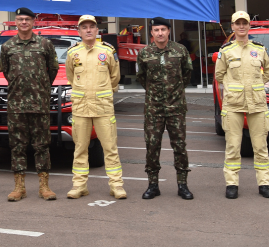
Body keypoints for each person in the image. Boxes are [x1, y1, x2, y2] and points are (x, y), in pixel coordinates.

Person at [0, 7, 60, 201]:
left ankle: (44, 186)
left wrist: (40, 88)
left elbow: (53, 69)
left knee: (42, 145)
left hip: (39, 104)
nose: (23, 22)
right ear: (15, 22)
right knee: (17, 146)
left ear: (33, 22)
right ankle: (19, 187)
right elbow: (6, 72)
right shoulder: (7, 47)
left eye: (27, 19)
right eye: (20, 19)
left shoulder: (45, 44)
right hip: (16, 105)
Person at [214, 10, 269, 199]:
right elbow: (219, 75)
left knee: (260, 146)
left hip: (257, 104)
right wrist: (234, 88)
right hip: (233, 105)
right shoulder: (226, 51)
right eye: (237, 23)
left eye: (244, 23)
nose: (241, 26)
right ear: (232, 27)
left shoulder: (259, 49)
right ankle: (231, 183)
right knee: (233, 146)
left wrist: (256, 86)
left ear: (249, 26)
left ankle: (264, 183)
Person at [65, 15, 125, 200]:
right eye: (84, 27)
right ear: (79, 31)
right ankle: (79, 185)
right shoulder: (72, 53)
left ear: (97, 30)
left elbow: (115, 77)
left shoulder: (107, 51)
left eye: (92, 26)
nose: (88, 30)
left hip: (103, 107)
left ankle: (116, 185)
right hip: (81, 107)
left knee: (110, 147)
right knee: (80, 147)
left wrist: (105, 92)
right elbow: (70, 77)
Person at [136, 17, 194, 200]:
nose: (160, 33)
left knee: (180, 146)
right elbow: (141, 77)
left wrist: (173, 92)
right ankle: (153, 185)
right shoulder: (145, 53)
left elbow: (187, 74)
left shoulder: (180, 50)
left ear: (169, 31)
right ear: (151, 33)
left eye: (163, 29)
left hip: (176, 108)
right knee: (152, 146)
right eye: (156, 30)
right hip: (154, 109)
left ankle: (182, 184)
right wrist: (156, 94)